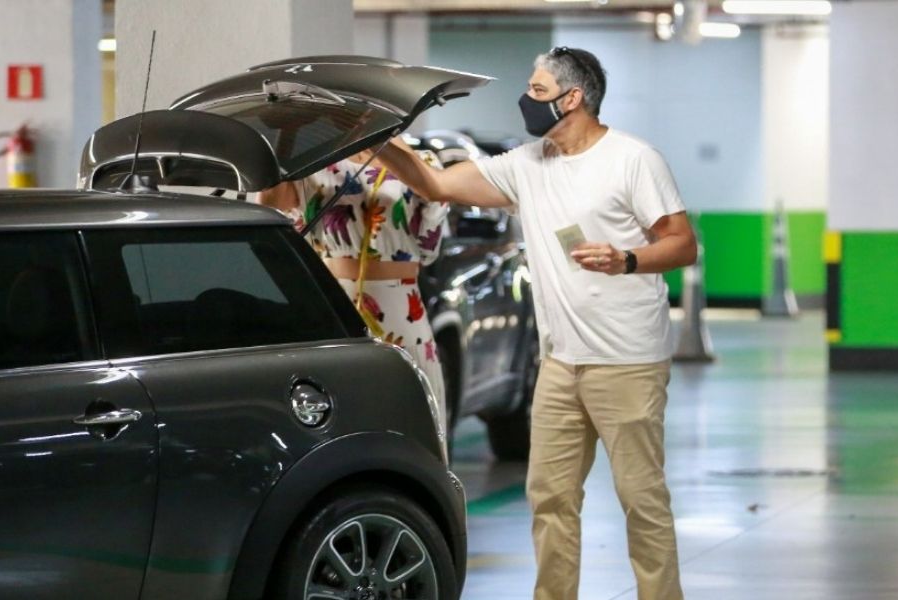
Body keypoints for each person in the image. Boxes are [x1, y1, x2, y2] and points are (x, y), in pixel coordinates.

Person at [376, 47, 696, 600]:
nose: (528, 98)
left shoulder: (633, 160)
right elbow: (436, 185)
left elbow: (682, 243)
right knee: (549, 499)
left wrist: (627, 259)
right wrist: (378, 140)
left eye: (539, 89)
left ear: (573, 98)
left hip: (627, 364)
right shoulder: (527, 164)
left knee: (641, 499)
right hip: (559, 366)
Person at [256, 150, 449, 432]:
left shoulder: (421, 162)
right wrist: (285, 140)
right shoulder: (315, 162)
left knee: (412, 423)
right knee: (340, 420)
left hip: (400, 310)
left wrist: (392, 143)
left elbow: (429, 246)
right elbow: (272, 208)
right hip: (333, 305)